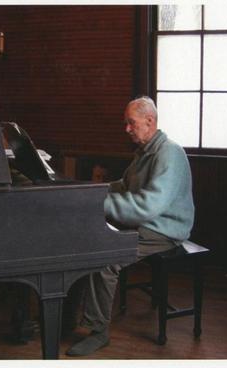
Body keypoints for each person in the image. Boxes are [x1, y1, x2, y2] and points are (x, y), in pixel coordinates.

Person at [65, 96, 195, 356]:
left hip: (164, 230)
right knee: (84, 243)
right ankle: (67, 320)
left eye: (131, 123)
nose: (127, 129)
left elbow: (147, 206)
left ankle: (99, 331)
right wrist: (91, 192)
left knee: (104, 260)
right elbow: (124, 186)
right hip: (148, 223)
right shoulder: (146, 152)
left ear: (149, 121)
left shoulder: (169, 153)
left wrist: (97, 205)